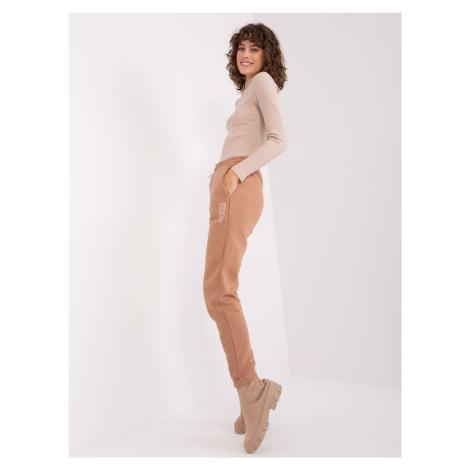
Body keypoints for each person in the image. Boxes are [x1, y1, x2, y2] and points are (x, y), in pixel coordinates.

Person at [203, 23, 287, 454]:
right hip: (230, 183)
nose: (246, 53)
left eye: (255, 48)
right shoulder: (248, 91)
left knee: (219, 291)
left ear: (267, 55)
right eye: (241, 47)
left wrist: (234, 173)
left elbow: (278, 140)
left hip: (238, 182)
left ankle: (252, 388)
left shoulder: (264, 83)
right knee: (221, 289)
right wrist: (221, 176)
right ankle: (247, 395)